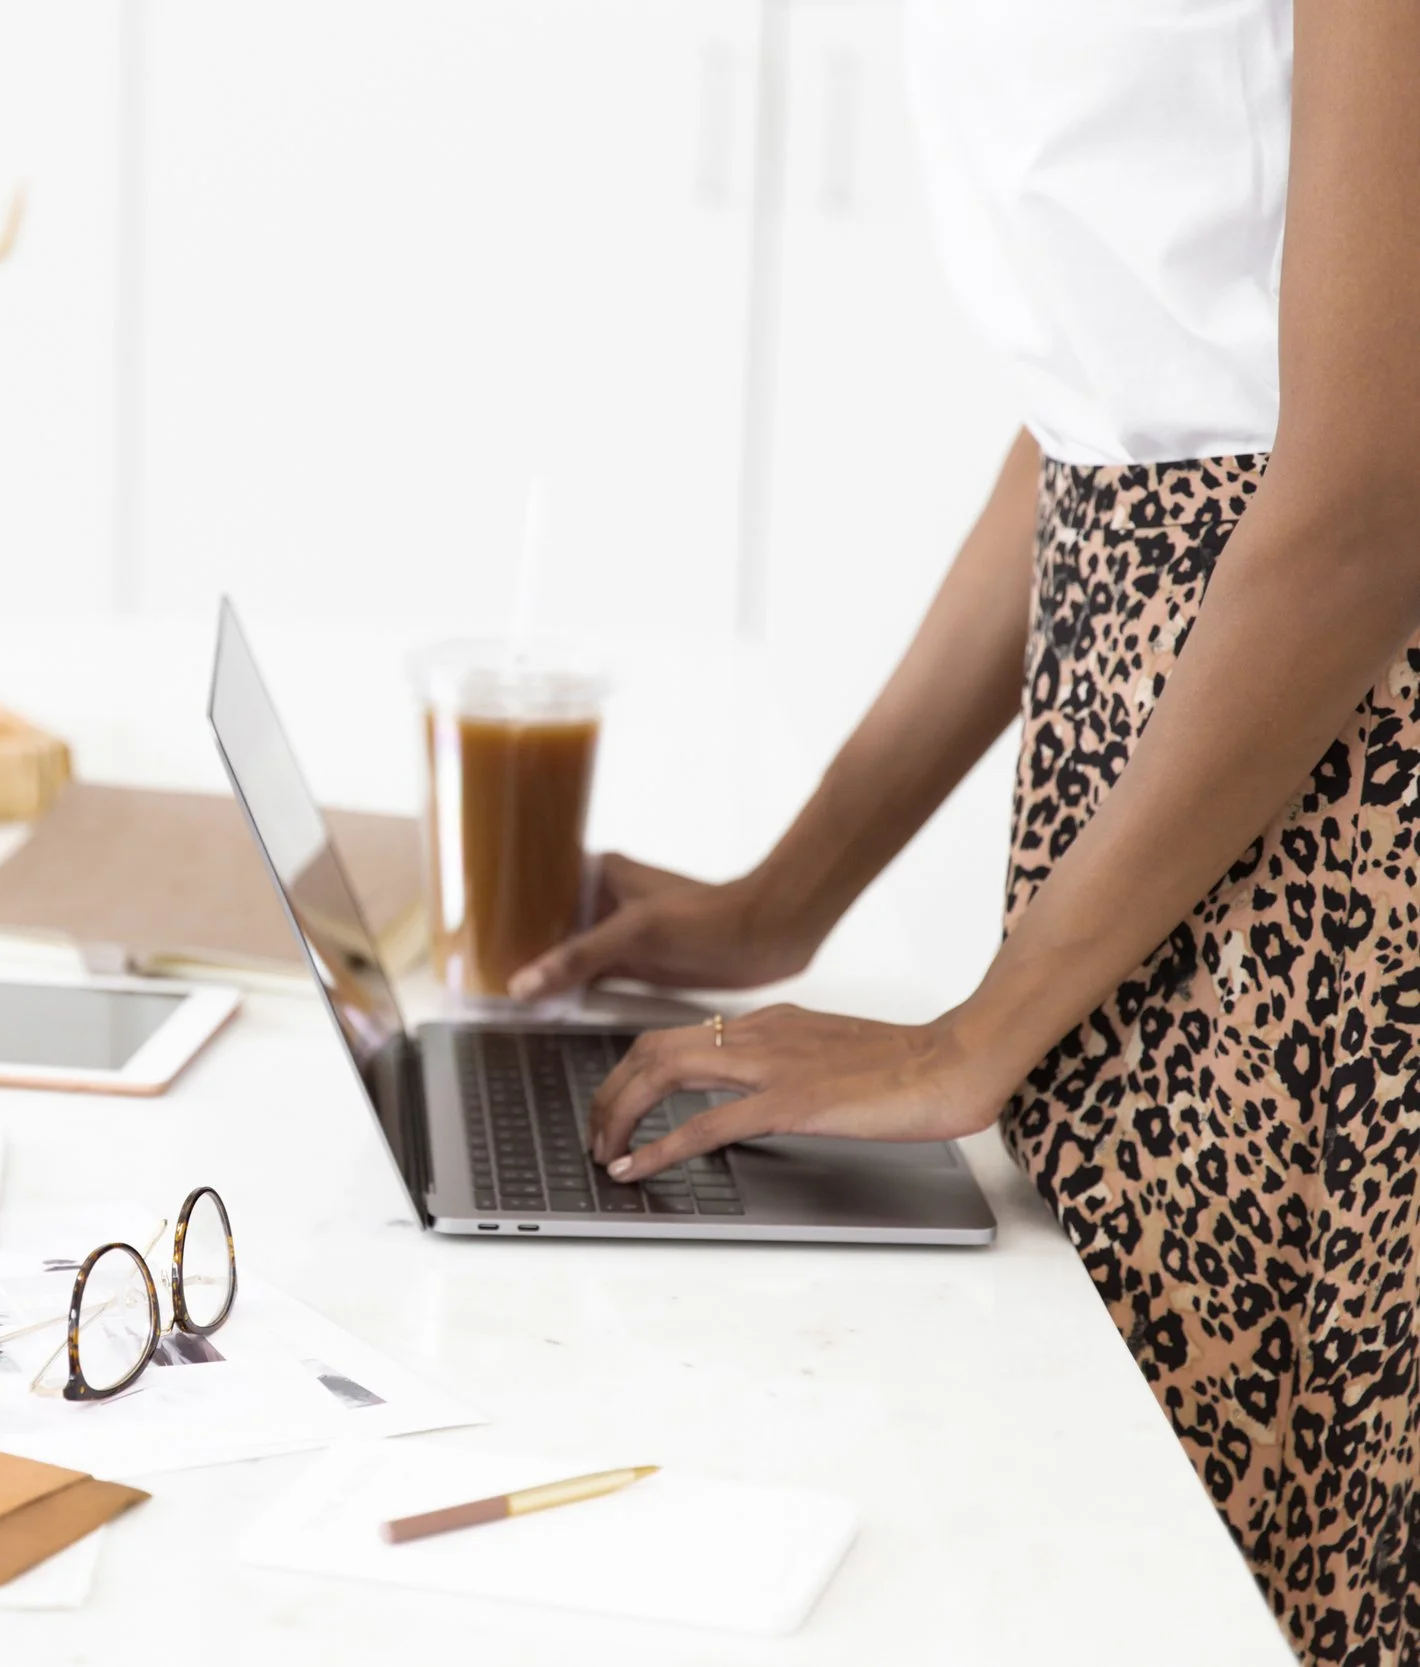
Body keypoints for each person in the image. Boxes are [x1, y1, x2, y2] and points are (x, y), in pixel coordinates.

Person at [507, 4, 1420, 1655]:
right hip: (1148, 817)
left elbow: (1370, 497)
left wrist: (977, 1029)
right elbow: (1120, 397)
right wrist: (788, 893)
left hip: (1338, 834)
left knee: (1261, 1567)